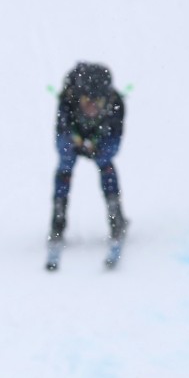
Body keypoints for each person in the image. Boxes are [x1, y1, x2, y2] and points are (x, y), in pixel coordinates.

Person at [48, 61, 127, 269]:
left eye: (97, 101)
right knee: (65, 167)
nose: (91, 107)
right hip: (73, 139)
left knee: (106, 164)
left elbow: (115, 143)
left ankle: (115, 214)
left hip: (100, 141)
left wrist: (99, 150)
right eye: (86, 101)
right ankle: (58, 218)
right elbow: (61, 137)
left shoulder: (116, 105)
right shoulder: (67, 102)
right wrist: (74, 142)